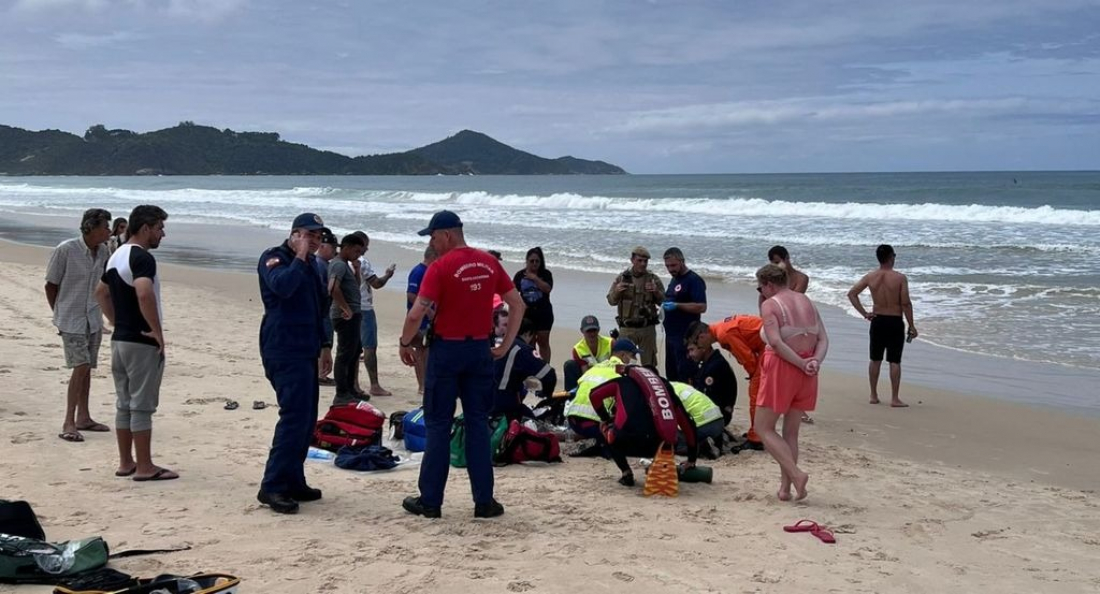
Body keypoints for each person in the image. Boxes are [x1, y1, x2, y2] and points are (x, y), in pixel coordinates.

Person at [397, 210, 524, 520]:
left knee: (438, 424)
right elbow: (517, 303)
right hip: (479, 350)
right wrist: (505, 345)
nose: (432, 242)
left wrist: (405, 342)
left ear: (447, 235)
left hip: (447, 350)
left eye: (433, 236)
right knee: (478, 423)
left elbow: (416, 313)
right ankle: (484, 501)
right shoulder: (489, 262)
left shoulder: (440, 267)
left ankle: (431, 500)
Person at [95, 205, 176, 482]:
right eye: (160, 228)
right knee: (141, 405)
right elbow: (144, 293)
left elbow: (101, 293)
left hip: (120, 339)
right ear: (145, 228)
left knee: (124, 403)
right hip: (141, 341)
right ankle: (144, 466)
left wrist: (116, 321)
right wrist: (156, 332)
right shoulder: (142, 257)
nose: (162, 234)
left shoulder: (116, 255)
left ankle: (126, 462)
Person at [254, 213, 329, 514]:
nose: (315, 241)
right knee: (293, 417)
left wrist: (325, 345)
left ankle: (293, 479)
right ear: (295, 235)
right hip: (283, 347)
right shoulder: (275, 258)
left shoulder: (313, 265)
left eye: (319, 237)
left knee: (307, 419)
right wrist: (299, 256)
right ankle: (272, 485)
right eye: (309, 235)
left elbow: (320, 308)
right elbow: (282, 287)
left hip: (307, 347)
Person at [756, 263, 829, 502]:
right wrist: (814, 361)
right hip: (808, 370)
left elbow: (776, 342)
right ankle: (786, 489)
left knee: (763, 427)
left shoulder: (771, 304)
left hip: (783, 367)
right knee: (791, 432)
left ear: (769, 285)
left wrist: (799, 363)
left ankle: (796, 475)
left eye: (760, 288)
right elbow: (823, 338)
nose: (761, 292)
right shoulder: (807, 301)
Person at [45, 208, 113, 443]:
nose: (109, 231)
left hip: (93, 318)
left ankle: (84, 417)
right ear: (90, 227)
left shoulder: (103, 251)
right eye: (105, 227)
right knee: (81, 365)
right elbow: (51, 284)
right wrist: (59, 313)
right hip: (71, 318)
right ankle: (69, 421)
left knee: (87, 368)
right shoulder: (66, 249)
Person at [588, 365, 699, 487]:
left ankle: (626, 473)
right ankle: (660, 466)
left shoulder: (622, 382)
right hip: (661, 447)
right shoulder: (664, 388)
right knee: (671, 435)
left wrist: (605, 419)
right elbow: (687, 424)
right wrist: (691, 459)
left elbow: (594, 395)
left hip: (626, 442)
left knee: (606, 427)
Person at [847, 244, 917, 407]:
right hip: (894, 321)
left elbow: (852, 294)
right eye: (894, 255)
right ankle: (894, 398)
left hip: (877, 321)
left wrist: (865, 313)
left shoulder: (871, 277)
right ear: (891, 257)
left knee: (875, 359)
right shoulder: (900, 278)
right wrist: (911, 325)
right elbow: (906, 303)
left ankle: (873, 395)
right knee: (894, 361)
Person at [686, 316, 765, 450]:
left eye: (697, 343)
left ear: (702, 336)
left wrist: (753, 376)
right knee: (758, 393)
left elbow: (748, 358)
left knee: (755, 394)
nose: (699, 347)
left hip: (767, 343)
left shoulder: (724, 334)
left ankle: (756, 438)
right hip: (766, 339)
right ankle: (758, 431)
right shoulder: (721, 329)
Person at [765, 246, 812, 423]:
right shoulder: (771, 281)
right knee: (778, 365)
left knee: (796, 365)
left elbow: (792, 299)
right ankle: (778, 403)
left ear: (787, 259)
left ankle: (798, 407)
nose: (776, 266)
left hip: (796, 327)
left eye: (778, 262)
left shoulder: (801, 278)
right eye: (773, 263)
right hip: (776, 323)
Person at [564, 338, 638, 441]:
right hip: (593, 422)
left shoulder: (597, 367)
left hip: (573, 421)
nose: (635, 359)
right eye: (633, 355)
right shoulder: (623, 373)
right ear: (623, 355)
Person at [352, 231, 397, 397]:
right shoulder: (362, 262)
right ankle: (374, 385)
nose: (366, 249)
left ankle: (354, 383)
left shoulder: (342, 261)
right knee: (369, 347)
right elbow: (376, 283)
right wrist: (388, 275)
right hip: (364, 307)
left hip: (350, 308)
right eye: (365, 246)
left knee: (353, 348)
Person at [606, 246, 664, 367]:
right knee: (623, 363)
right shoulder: (622, 278)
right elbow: (611, 301)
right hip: (627, 328)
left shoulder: (653, 279)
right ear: (632, 260)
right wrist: (617, 291)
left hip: (647, 328)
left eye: (645, 261)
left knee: (649, 365)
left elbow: (664, 303)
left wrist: (656, 292)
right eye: (639, 260)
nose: (643, 264)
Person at [683, 322, 738, 447]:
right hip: (719, 413)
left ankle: (713, 437)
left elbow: (706, 399)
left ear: (703, 347)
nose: (690, 355)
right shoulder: (709, 362)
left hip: (716, 415)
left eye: (692, 350)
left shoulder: (713, 367)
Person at [492, 318, 557, 420]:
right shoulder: (522, 349)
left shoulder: (496, 341)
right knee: (533, 421)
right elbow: (549, 375)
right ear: (527, 333)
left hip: (479, 397)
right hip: (503, 402)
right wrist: (546, 394)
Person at [329, 233, 367, 406]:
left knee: (354, 352)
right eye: (356, 251)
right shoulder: (338, 264)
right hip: (344, 315)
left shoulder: (346, 265)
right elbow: (333, 288)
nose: (358, 255)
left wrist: (357, 270)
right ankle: (342, 393)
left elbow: (354, 287)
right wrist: (345, 308)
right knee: (345, 353)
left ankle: (350, 390)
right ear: (347, 247)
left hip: (352, 313)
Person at [661, 247, 707, 382]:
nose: (670, 269)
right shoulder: (674, 280)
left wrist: (677, 305)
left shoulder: (694, 280)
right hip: (670, 336)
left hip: (686, 337)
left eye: (673, 265)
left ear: (682, 261)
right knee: (671, 375)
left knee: (686, 375)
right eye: (667, 266)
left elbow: (702, 307)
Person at [513, 247, 554, 363]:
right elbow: (512, 293)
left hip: (543, 313)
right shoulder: (519, 275)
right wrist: (520, 305)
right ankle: (532, 366)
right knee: (529, 342)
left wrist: (535, 278)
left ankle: (545, 366)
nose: (534, 263)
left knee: (543, 342)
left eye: (537, 261)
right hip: (526, 313)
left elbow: (547, 289)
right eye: (532, 261)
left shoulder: (546, 274)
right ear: (527, 261)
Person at [406, 245, 437, 395]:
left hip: (430, 321)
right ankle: (422, 385)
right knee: (421, 352)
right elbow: (411, 295)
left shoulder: (431, 272)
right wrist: (428, 310)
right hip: (420, 320)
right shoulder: (418, 272)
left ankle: (427, 383)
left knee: (428, 353)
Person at [669, 381, 724, 459]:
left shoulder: (665, 393)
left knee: (675, 443)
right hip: (719, 422)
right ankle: (717, 441)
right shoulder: (678, 385)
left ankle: (702, 447)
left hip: (703, 426)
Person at [563, 315, 613, 391]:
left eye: (594, 330)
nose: (592, 334)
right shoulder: (578, 349)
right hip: (590, 376)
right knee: (569, 365)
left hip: (608, 376)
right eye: (589, 331)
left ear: (599, 329)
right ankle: (571, 394)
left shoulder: (610, 343)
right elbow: (585, 374)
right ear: (582, 330)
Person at [315, 229, 338, 387]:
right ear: (322, 246)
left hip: (325, 310)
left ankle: (320, 373)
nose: (335, 251)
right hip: (322, 311)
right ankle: (321, 375)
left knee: (326, 340)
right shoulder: (320, 264)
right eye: (333, 247)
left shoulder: (323, 264)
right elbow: (323, 290)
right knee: (324, 341)